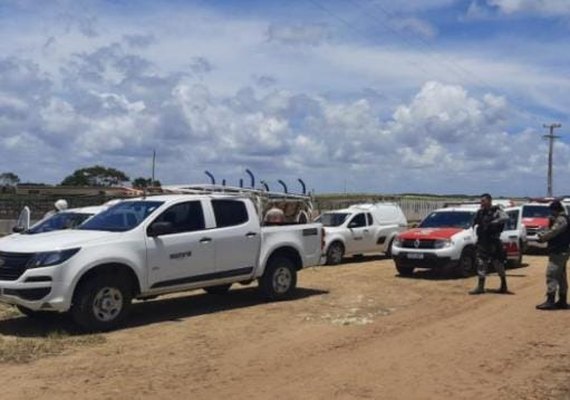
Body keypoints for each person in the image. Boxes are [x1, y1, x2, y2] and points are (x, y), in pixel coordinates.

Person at [469, 193, 509, 295]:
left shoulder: (496, 211)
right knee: (481, 263)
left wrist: (494, 222)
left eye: (483, 201)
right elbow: (473, 223)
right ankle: (480, 287)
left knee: (498, 264)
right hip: (483, 241)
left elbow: (505, 218)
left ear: (489, 201)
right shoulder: (480, 212)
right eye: (481, 201)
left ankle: (503, 285)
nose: (481, 203)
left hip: (493, 242)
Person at [536, 200, 570, 310]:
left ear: (555, 210)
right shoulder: (561, 218)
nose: (550, 213)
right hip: (561, 250)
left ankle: (550, 301)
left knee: (552, 274)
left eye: (551, 211)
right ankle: (562, 300)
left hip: (559, 251)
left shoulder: (561, 219)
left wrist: (542, 238)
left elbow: (553, 232)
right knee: (561, 276)